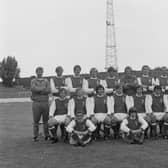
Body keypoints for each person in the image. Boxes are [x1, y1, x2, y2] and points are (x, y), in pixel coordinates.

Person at [30, 67, 50, 141]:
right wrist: (43, 89)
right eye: (38, 71)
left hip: (45, 102)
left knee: (46, 120)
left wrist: (39, 90)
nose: (40, 72)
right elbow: (33, 88)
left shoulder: (46, 80)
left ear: (43, 72)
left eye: (41, 71)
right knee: (36, 120)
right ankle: (35, 136)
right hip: (36, 103)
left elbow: (49, 90)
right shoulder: (33, 80)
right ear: (36, 72)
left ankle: (46, 135)